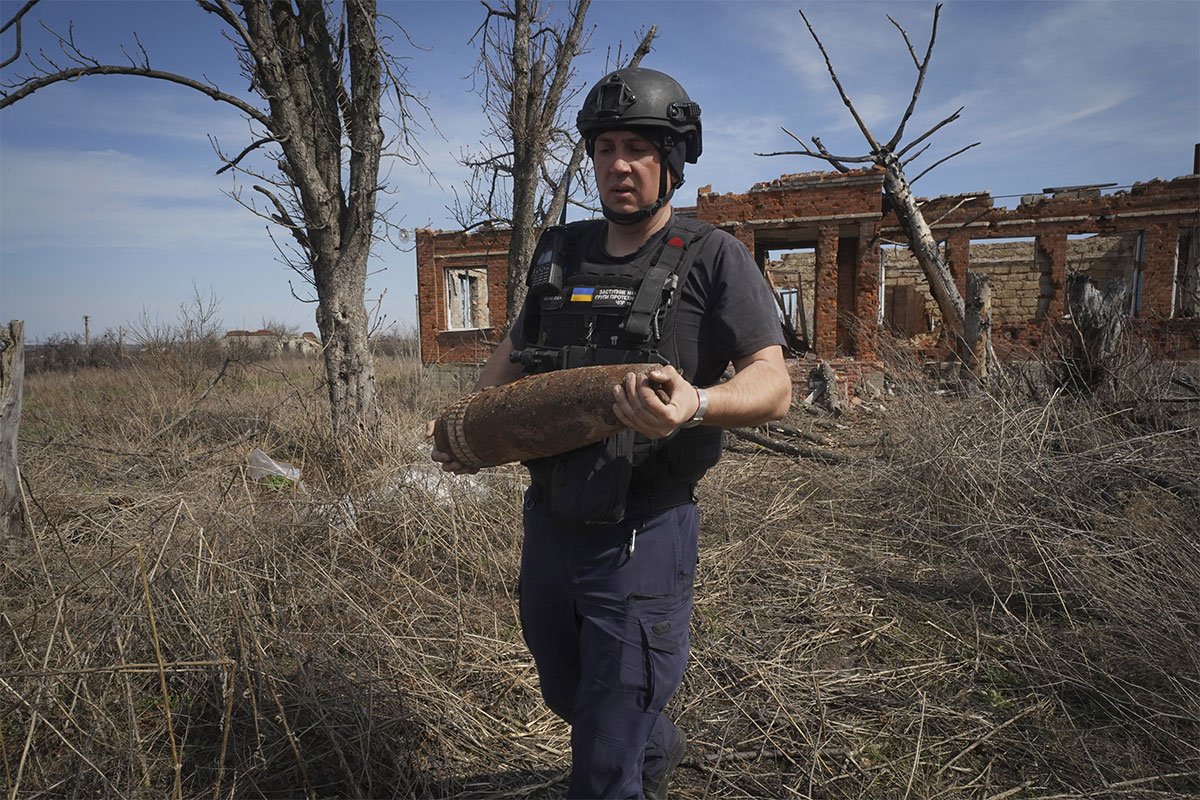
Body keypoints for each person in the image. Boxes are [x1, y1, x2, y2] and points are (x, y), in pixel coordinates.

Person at [432, 67, 792, 799]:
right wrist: (475, 433)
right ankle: (650, 747)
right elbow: (513, 357)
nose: (617, 165)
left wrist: (695, 405)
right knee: (569, 693)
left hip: (644, 534)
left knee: (601, 755)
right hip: (551, 522)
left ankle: (625, 765)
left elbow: (773, 383)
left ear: (672, 160)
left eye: (636, 147)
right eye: (604, 149)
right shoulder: (560, 253)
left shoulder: (712, 256)